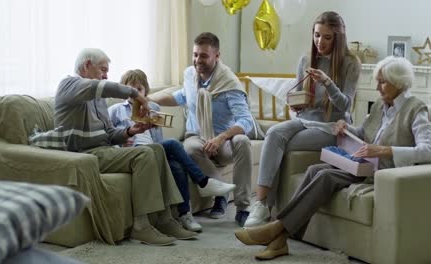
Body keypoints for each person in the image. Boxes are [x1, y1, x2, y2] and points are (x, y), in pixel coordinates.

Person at [235, 56, 431, 260]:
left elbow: (427, 150)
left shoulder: (416, 109)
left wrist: (385, 150)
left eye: (383, 82)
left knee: (326, 176)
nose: (378, 87)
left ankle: (276, 229)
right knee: (314, 170)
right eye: (377, 81)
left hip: (383, 173)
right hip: (362, 165)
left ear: (398, 82)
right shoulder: (379, 106)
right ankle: (279, 240)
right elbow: (364, 133)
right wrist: (345, 128)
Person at [54, 48, 198, 246]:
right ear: (87, 65)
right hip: (83, 154)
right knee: (144, 154)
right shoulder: (68, 85)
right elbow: (102, 86)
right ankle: (140, 226)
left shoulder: (99, 99)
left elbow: (109, 134)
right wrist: (136, 94)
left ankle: (165, 219)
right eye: (103, 70)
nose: (106, 75)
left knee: (156, 150)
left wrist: (131, 132)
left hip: (104, 151)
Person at [244, 11, 361, 227]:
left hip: (332, 127)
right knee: (274, 133)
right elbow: (300, 98)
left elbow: (345, 105)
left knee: (283, 144)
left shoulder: (351, 63)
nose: (320, 42)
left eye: (327, 37)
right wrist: (297, 103)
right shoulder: (306, 59)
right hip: (305, 119)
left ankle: (268, 207)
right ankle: (261, 204)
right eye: (317, 35)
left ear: (338, 38)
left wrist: (328, 82)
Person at [108, 69, 236, 232]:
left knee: (176, 165)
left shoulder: (152, 108)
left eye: (138, 90)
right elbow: (109, 138)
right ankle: (203, 182)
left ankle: (185, 214)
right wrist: (121, 144)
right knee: (174, 144)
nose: (134, 94)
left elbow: (158, 140)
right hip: (133, 153)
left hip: (154, 150)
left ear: (145, 90)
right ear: (123, 90)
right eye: (130, 90)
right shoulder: (115, 110)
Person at [152, 32, 254, 226]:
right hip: (197, 138)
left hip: (223, 142)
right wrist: (147, 98)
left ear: (217, 56)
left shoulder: (229, 83)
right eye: (195, 54)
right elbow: (182, 97)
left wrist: (221, 138)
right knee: (188, 148)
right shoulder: (190, 75)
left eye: (204, 56)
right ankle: (221, 193)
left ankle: (243, 208)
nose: (198, 60)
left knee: (243, 141)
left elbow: (246, 121)